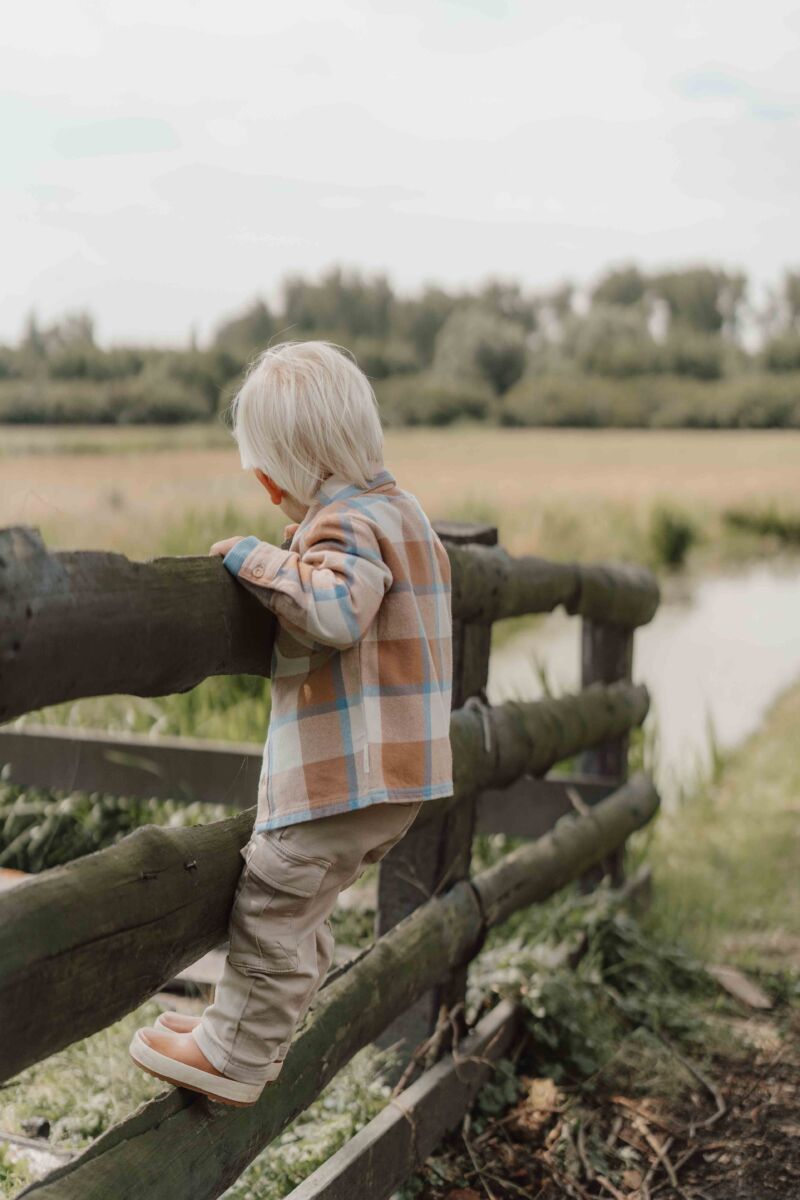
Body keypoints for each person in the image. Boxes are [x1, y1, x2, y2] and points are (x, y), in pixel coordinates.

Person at [129, 340, 454, 1106]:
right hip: (397, 778)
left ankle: (237, 1057)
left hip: (347, 775)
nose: (269, 495)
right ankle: (247, 1034)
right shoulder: (406, 515)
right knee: (304, 905)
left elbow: (338, 612)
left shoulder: (344, 525)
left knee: (274, 894)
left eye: (268, 478)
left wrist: (255, 560)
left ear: (294, 465)